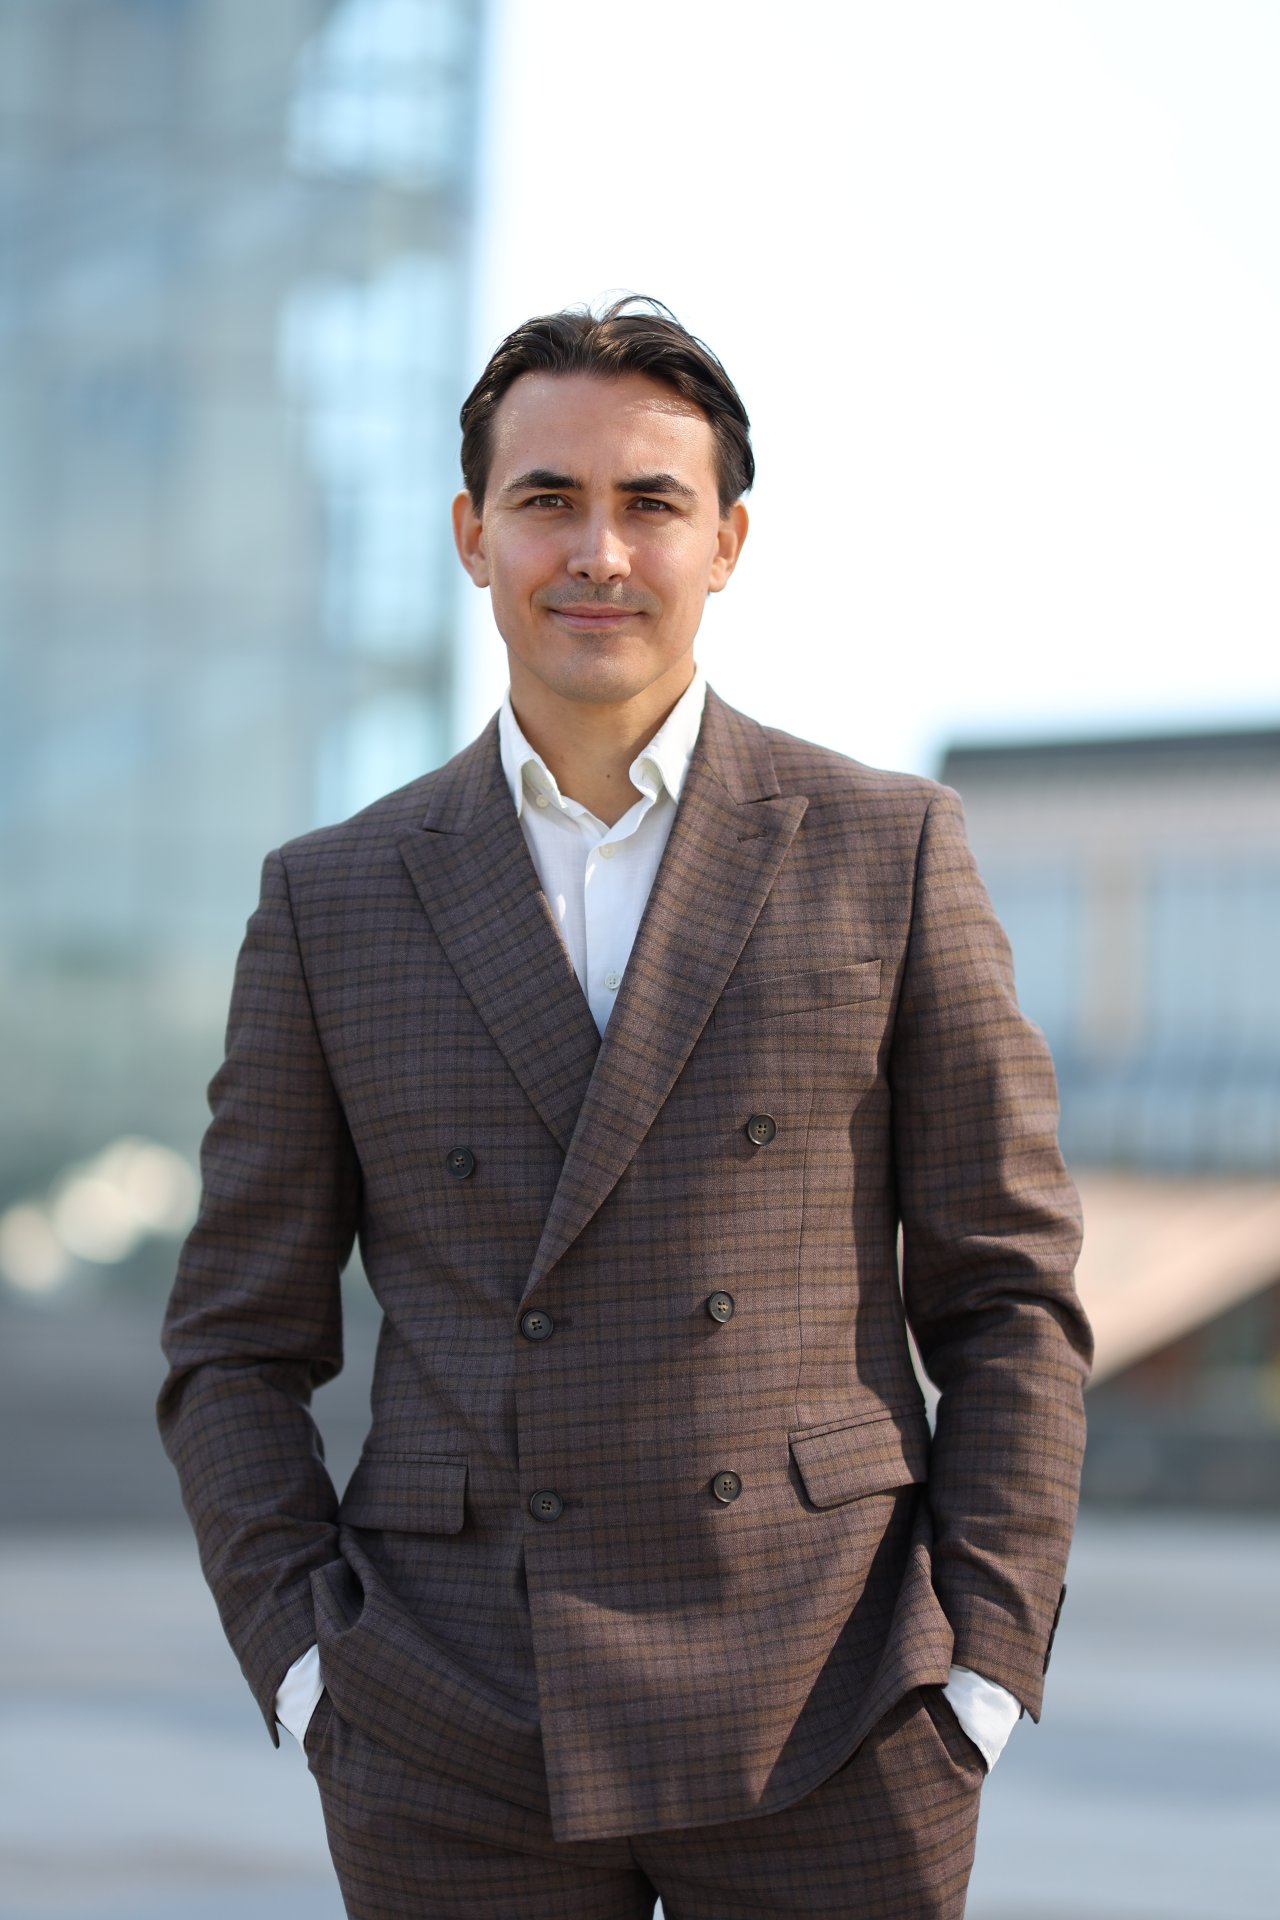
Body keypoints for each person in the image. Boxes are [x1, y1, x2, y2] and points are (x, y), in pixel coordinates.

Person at [159, 297, 1092, 1919]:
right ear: (472, 534)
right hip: (450, 1719)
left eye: (651, 503)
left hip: (836, 1709)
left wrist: (983, 1673)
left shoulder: (885, 848)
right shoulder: (332, 897)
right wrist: (312, 1675)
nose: (598, 552)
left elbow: (1009, 1293)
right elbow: (235, 1341)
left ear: (726, 542)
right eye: (548, 500)